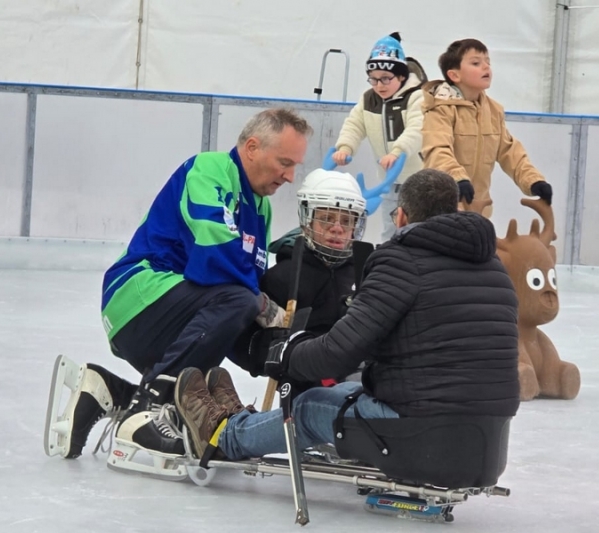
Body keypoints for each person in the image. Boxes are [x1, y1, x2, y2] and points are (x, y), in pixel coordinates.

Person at [171, 168, 521, 464]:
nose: (338, 229)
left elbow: (338, 351)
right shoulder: (495, 269)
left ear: (400, 216)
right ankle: (247, 423)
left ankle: (224, 435)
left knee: (308, 407)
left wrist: (284, 353)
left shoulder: (399, 261)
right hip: (486, 445)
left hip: (420, 437)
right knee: (347, 391)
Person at [48, 108, 312, 469]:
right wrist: (264, 307)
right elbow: (216, 256)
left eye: (295, 165)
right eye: (285, 162)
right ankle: (144, 411)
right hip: (137, 296)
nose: (290, 176)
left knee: (229, 328)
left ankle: (109, 390)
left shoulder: (260, 208)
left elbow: (246, 292)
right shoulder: (209, 170)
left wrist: (279, 351)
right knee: (238, 300)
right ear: (252, 147)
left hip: (178, 313)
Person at [231, 168, 366, 387]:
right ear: (307, 221)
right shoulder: (284, 276)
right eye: (327, 219)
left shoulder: (364, 273)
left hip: (361, 382)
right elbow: (245, 346)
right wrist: (280, 350)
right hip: (308, 389)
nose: (337, 229)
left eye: (347, 221)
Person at [421, 39, 553, 218]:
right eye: (476, 63)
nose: (486, 67)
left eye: (488, 62)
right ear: (454, 75)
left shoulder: (492, 110)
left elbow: (509, 151)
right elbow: (437, 150)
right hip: (443, 206)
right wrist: (457, 178)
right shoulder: (440, 109)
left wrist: (533, 181)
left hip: (478, 207)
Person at [331, 32, 425, 242]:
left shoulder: (416, 97)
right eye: (373, 79)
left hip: (418, 177)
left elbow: (417, 129)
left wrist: (398, 152)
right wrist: (345, 147)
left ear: (401, 76)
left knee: (419, 226)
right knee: (390, 228)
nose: (379, 85)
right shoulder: (368, 99)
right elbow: (354, 124)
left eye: (385, 79)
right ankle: (389, 261)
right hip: (388, 180)